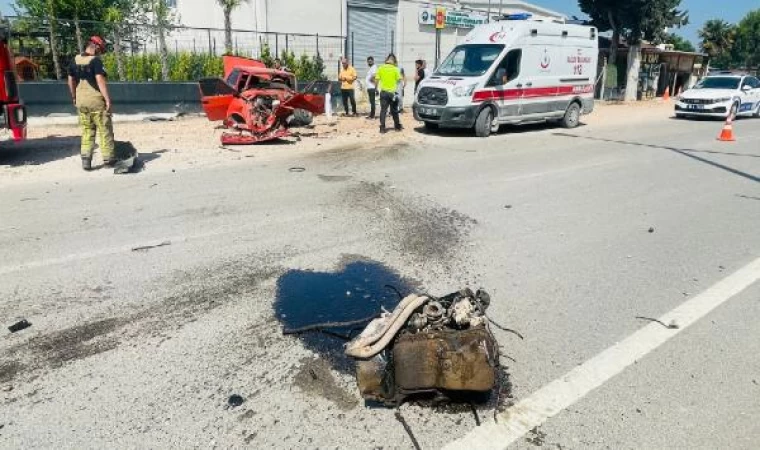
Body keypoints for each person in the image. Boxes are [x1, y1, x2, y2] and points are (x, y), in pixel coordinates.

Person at [67, 36, 114, 171]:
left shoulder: (74, 60)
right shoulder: (95, 61)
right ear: (96, 46)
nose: (100, 52)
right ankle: (108, 159)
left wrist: (74, 97)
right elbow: (100, 81)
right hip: (96, 101)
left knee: (87, 130)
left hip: (81, 101)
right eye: (101, 49)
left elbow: (70, 81)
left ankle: (86, 160)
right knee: (105, 130)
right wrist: (107, 99)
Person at [375, 53, 402, 133]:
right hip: (393, 93)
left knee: (383, 110)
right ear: (393, 61)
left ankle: (382, 128)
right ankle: (397, 126)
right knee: (394, 111)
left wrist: (376, 89)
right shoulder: (395, 69)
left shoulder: (380, 68)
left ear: (386, 60)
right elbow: (399, 81)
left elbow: (376, 80)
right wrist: (399, 92)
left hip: (383, 93)